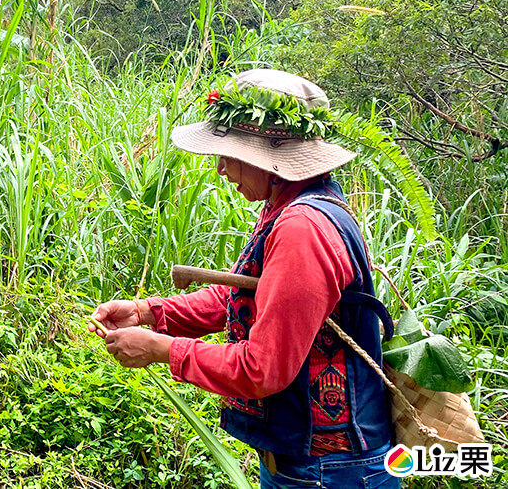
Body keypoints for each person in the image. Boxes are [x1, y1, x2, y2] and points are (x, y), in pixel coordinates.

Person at [89, 69, 399, 488]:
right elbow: (243, 295)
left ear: (269, 160)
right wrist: (147, 312)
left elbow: (263, 368)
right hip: (304, 465)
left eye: (229, 155)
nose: (220, 169)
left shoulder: (302, 229)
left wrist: (163, 350)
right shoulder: (290, 205)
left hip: (329, 472)